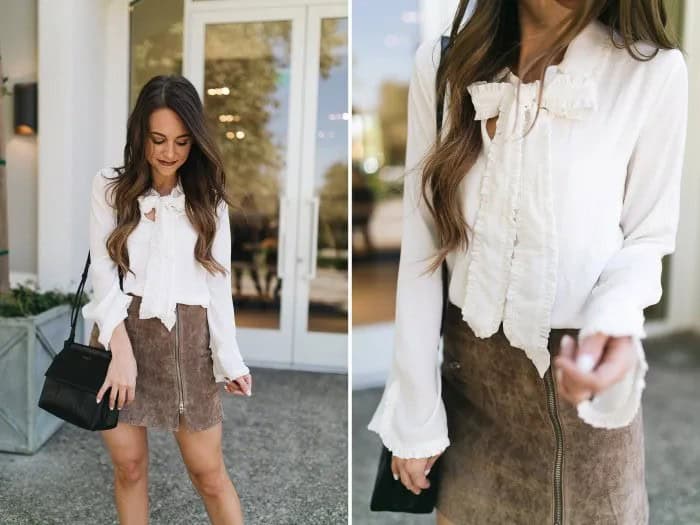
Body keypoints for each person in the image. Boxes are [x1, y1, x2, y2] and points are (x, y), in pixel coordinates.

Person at [367, 0, 687, 523]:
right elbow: (423, 249)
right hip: (473, 391)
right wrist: (417, 412)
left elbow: (646, 238)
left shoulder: (652, 72)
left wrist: (612, 332)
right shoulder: (443, 64)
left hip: (584, 396)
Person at [82, 75, 253, 525]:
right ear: (140, 133)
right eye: (158, 139)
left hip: (187, 339)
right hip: (122, 330)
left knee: (209, 473)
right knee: (130, 468)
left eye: (181, 141)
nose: (169, 152)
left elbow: (217, 284)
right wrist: (119, 349)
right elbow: (103, 270)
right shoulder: (108, 187)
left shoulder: (208, 200)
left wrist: (229, 359)